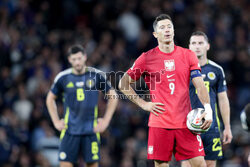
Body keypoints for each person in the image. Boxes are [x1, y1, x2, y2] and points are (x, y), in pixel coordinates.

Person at [119, 14, 213, 167]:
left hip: (186, 123)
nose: (167, 30)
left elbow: (200, 85)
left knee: (200, 164)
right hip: (160, 123)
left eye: (169, 26)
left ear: (174, 31)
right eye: (162, 27)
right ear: (155, 34)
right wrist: (143, 104)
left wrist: (208, 108)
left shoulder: (188, 55)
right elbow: (123, 83)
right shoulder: (146, 58)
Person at [46, 44, 118, 167]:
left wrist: (106, 121)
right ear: (69, 60)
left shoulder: (96, 75)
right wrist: (56, 121)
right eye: (74, 59)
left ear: (85, 57)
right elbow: (50, 99)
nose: (77, 62)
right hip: (70, 130)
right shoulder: (63, 77)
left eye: (79, 58)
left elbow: (113, 96)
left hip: (91, 130)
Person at [181, 31, 233, 167]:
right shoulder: (182, 70)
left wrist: (227, 127)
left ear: (207, 46)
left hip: (211, 126)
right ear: (189, 47)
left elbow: (223, 100)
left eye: (200, 43)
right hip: (188, 126)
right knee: (187, 164)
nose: (197, 46)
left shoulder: (217, 70)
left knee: (210, 164)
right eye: (194, 43)